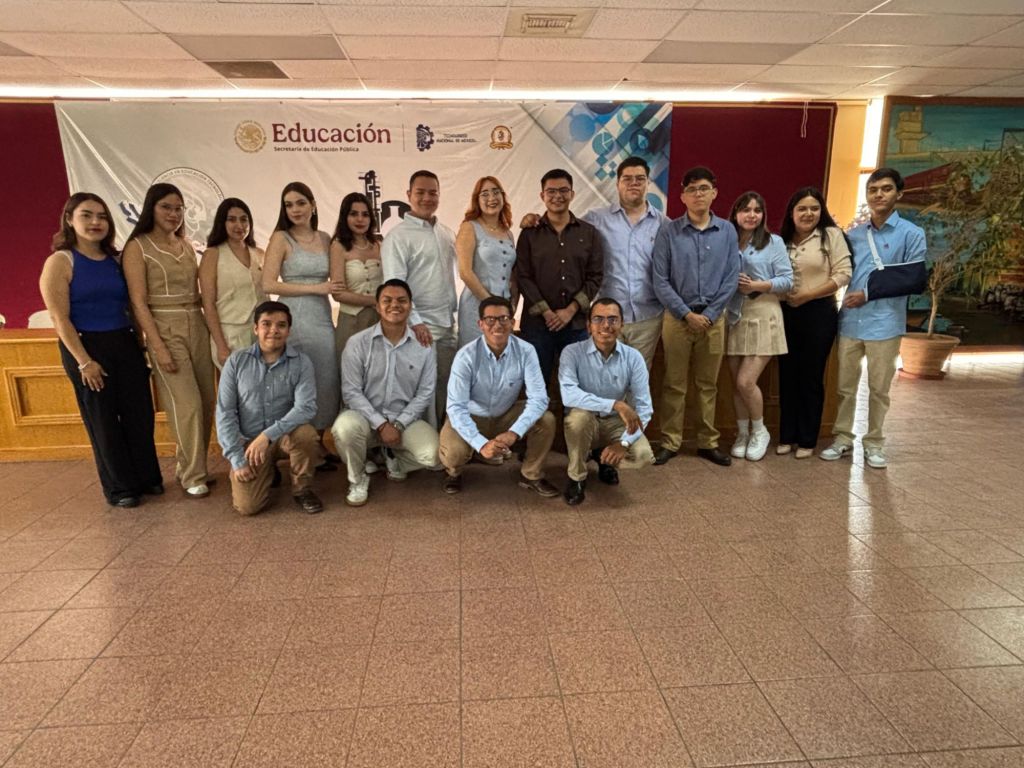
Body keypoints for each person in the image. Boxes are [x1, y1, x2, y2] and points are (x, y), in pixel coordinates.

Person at [39, 192, 163, 508]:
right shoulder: (61, 261)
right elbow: (59, 318)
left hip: (124, 341)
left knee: (139, 415)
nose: (96, 222)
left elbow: (131, 306)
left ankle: (146, 477)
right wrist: (84, 362)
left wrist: (141, 346)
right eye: (87, 215)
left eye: (102, 216)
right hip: (86, 346)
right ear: (70, 219)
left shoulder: (115, 260)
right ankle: (120, 489)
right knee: (103, 420)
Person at [822, 168, 927, 469]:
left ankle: (874, 443)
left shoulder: (911, 234)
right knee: (845, 387)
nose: (879, 194)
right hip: (851, 322)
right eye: (873, 189)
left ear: (899, 193)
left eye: (886, 188)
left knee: (879, 389)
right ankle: (843, 438)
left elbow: (914, 279)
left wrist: (868, 294)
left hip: (886, 323)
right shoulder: (854, 235)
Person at [123, 183, 216, 498]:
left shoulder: (186, 245)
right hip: (164, 326)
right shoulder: (138, 247)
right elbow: (138, 303)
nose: (173, 214)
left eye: (178, 208)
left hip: (197, 323)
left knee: (206, 400)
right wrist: (157, 346)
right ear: (151, 208)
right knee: (186, 404)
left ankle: (194, 464)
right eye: (166, 207)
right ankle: (192, 475)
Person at [652, 166, 740, 467]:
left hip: (714, 321)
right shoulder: (669, 231)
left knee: (708, 384)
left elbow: (731, 277)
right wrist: (686, 314)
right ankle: (670, 442)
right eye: (692, 189)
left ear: (714, 192)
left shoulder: (727, 231)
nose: (698, 194)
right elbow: (660, 279)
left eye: (704, 188)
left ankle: (707, 442)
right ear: (682, 196)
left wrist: (711, 314)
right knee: (673, 383)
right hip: (677, 319)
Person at [331, 279, 439, 506]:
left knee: (435, 455)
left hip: (403, 420)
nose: (394, 305)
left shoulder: (424, 346)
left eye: (402, 300)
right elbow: (351, 391)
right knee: (344, 429)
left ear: (410, 306)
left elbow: (425, 393)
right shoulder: (358, 343)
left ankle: (393, 457)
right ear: (378, 307)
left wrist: (398, 424)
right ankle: (358, 478)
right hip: (364, 418)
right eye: (387, 301)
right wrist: (381, 425)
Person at [440, 296, 558, 497]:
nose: (497, 325)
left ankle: (531, 475)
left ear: (512, 322)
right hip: (471, 415)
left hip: (505, 415)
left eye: (503, 319)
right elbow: (456, 407)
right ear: (480, 324)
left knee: (546, 420)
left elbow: (539, 399)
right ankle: (454, 473)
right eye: (490, 320)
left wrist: (514, 433)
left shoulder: (526, 351)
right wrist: (481, 444)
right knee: (453, 453)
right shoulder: (466, 356)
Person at [216, 300, 323, 515]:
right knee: (248, 507)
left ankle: (302, 489)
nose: (274, 330)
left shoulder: (301, 362)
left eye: (281, 325)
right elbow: (225, 413)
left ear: (288, 330)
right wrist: (237, 459)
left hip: (284, 437)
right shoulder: (236, 362)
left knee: (306, 435)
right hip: (250, 444)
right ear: (256, 328)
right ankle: (269, 471)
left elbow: (306, 408)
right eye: (266, 324)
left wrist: (267, 436)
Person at [263, 182, 342, 458]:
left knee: (325, 379)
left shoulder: (325, 238)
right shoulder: (281, 238)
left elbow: (337, 277)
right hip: (292, 318)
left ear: (313, 205)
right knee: (296, 381)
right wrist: (316, 288)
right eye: (289, 205)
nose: (295, 209)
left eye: (300, 203)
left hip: (322, 317)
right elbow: (268, 284)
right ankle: (295, 445)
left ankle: (316, 442)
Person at [777, 187, 852, 459]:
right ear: (792, 213)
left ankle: (807, 439)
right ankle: (787, 435)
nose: (808, 213)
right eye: (802, 208)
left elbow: (843, 274)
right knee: (787, 375)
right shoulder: (781, 240)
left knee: (811, 377)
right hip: (785, 312)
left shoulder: (831, 236)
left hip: (819, 313)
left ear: (822, 211)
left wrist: (808, 295)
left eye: (814, 208)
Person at [559, 298, 654, 506]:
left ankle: (604, 458)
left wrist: (624, 443)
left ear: (621, 324)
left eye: (613, 319)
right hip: (586, 420)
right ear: (588, 325)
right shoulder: (572, 353)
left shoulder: (633, 357)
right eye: (598, 319)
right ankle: (576, 477)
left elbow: (645, 409)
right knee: (577, 419)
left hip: (615, 423)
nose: (606, 325)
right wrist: (616, 404)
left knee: (643, 455)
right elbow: (569, 396)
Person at [515, 168, 604, 386]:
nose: (557, 196)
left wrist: (570, 310)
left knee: (576, 386)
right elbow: (523, 277)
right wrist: (546, 312)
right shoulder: (529, 233)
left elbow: (595, 277)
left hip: (576, 325)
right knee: (536, 386)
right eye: (551, 191)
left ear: (572, 194)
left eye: (563, 190)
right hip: (537, 326)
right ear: (542, 195)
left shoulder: (589, 233)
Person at [381, 170, 457, 420]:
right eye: (420, 192)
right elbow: (394, 287)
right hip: (419, 327)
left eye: (432, 193)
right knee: (422, 394)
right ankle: (425, 442)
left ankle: (444, 439)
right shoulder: (398, 237)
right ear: (408, 195)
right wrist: (415, 322)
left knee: (447, 387)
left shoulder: (446, 233)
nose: (427, 198)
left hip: (448, 324)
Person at [725, 192, 793, 462]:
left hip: (764, 313)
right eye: (746, 210)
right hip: (734, 315)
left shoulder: (773, 242)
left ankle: (760, 431)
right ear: (735, 214)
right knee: (736, 384)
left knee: (746, 381)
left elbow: (787, 281)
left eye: (757, 210)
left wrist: (756, 285)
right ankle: (743, 433)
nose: (751, 215)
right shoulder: (727, 240)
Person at [199, 198, 266, 369]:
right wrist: (221, 345)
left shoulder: (259, 253)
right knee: (240, 384)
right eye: (232, 219)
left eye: (244, 219)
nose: (239, 225)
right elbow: (208, 304)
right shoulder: (212, 254)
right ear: (222, 223)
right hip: (230, 334)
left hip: (261, 332)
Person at [456, 176, 516, 348]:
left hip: (503, 311)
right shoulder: (469, 227)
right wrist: (491, 305)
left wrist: (511, 306)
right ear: (477, 200)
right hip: (476, 308)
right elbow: (465, 272)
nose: (492, 198)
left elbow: (512, 274)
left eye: (496, 192)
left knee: (502, 357)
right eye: (485, 194)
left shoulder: (508, 232)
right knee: (475, 356)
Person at [329, 192, 382, 357]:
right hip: (351, 320)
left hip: (380, 319)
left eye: (365, 214)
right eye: (354, 214)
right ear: (344, 217)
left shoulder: (379, 245)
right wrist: (375, 300)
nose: (360, 219)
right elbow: (338, 293)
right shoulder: (338, 246)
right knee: (350, 368)